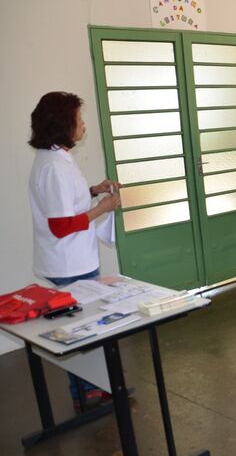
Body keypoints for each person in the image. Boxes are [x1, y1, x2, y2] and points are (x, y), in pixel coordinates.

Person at [27, 91, 121, 410]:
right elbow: (61, 225)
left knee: (82, 323)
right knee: (82, 327)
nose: (83, 125)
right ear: (63, 124)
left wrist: (94, 190)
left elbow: (68, 201)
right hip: (70, 263)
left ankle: (90, 387)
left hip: (72, 258)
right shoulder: (54, 166)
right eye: (79, 120)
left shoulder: (57, 158)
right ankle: (86, 391)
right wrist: (102, 208)